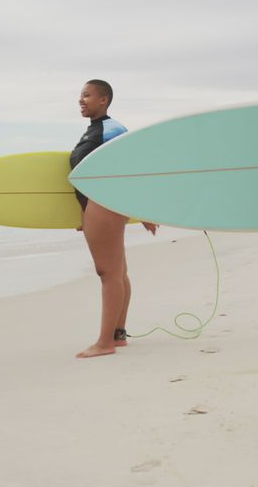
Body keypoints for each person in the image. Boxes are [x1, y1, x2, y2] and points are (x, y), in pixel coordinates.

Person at [69, 79, 158, 359]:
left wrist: (145, 210)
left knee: (107, 273)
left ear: (103, 99)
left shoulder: (112, 129)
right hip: (95, 207)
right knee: (117, 272)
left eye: (87, 95)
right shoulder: (94, 131)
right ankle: (117, 335)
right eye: (80, 96)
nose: (81, 100)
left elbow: (133, 168)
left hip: (104, 205)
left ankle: (104, 342)